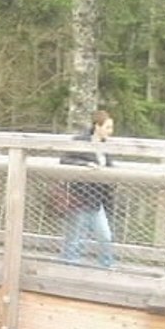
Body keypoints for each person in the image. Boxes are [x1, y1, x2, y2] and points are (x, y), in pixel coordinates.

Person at [57, 110, 117, 268]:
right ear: (97, 126)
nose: (110, 132)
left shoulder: (106, 146)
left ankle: (107, 266)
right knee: (75, 236)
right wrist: (85, 165)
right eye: (108, 127)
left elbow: (109, 166)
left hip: (98, 199)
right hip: (80, 197)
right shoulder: (81, 141)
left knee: (105, 235)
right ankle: (69, 266)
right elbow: (64, 160)